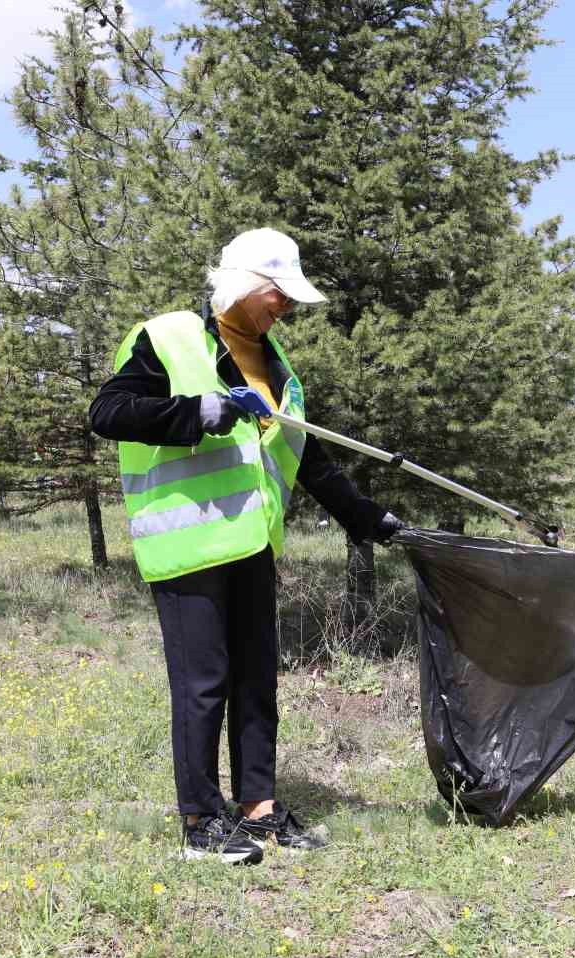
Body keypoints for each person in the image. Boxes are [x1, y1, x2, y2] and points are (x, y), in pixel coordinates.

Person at [89, 227, 402, 865]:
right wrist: (194, 413)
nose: (284, 305)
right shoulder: (168, 337)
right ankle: (202, 821)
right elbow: (108, 413)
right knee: (203, 684)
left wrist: (368, 519)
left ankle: (259, 810)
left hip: (252, 543)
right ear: (244, 284)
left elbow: (305, 458)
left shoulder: (276, 364)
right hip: (187, 546)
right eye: (277, 292)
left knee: (257, 682)